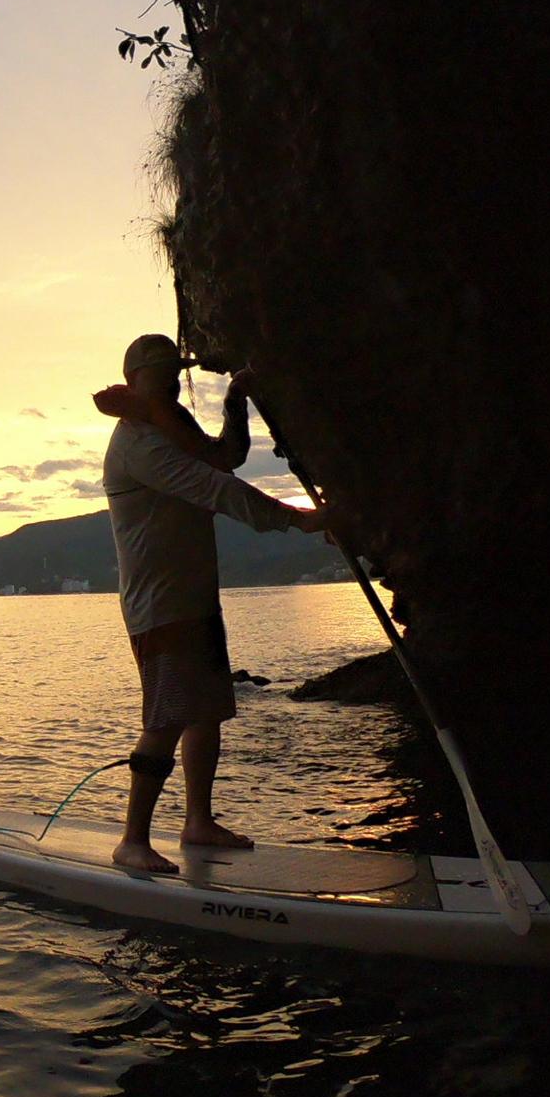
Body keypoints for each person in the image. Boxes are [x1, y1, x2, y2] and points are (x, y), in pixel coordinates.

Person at [97, 335, 326, 874]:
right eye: (157, 373)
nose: (170, 381)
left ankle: (198, 821)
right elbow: (213, 486)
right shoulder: (138, 442)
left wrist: (236, 402)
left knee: (206, 713)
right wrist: (297, 518)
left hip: (195, 598)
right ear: (132, 378)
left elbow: (226, 457)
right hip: (161, 605)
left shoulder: (171, 427)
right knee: (168, 716)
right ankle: (132, 840)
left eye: (174, 372)